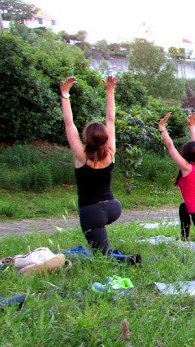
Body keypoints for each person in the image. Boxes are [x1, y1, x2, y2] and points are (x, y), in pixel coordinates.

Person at [60, 76, 122, 255]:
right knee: (101, 251)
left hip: (92, 212)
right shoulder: (111, 152)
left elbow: (69, 123)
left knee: (103, 255)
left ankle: (129, 259)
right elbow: (111, 120)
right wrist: (110, 91)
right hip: (113, 207)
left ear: (86, 138)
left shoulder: (82, 157)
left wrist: (65, 94)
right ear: (105, 138)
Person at [158, 111, 195, 243]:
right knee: (183, 207)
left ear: (185, 153)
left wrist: (162, 128)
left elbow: (170, 146)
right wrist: (192, 126)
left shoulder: (186, 168)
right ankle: (185, 237)